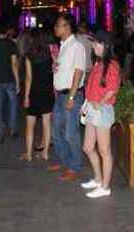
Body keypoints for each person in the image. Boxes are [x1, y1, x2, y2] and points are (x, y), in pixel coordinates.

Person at [81, 30, 121, 199]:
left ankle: (105, 186)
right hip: (92, 108)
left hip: (102, 110)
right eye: (94, 42)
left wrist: (101, 102)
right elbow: (91, 87)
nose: (94, 46)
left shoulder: (111, 65)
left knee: (104, 150)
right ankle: (98, 179)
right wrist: (86, 104)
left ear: (106, 45)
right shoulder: (98, 63)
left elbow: (113, 88)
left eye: (97, 43)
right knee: (88, 147)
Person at [48, 13, 86, 182]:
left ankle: (74, 166)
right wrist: (56, 67)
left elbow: (78, 72)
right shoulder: (63, 46)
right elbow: (67, 69)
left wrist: (71, 97)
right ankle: (64, 160)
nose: (55, 28)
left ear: (68, 27)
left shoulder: (76, 46)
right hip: (60, 95)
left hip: (71, 94)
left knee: (71, 133)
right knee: (56, 131)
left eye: (59, 25)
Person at [21, 29, 55, 161]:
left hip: (34, 92)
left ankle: (28, 154)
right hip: (47, 91)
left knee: (30, 125)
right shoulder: (48, 55)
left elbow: (29, 78)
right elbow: (54, 69)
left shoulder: (29, 56)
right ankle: (45, 153)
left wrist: (26, 96)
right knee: (47, 123)